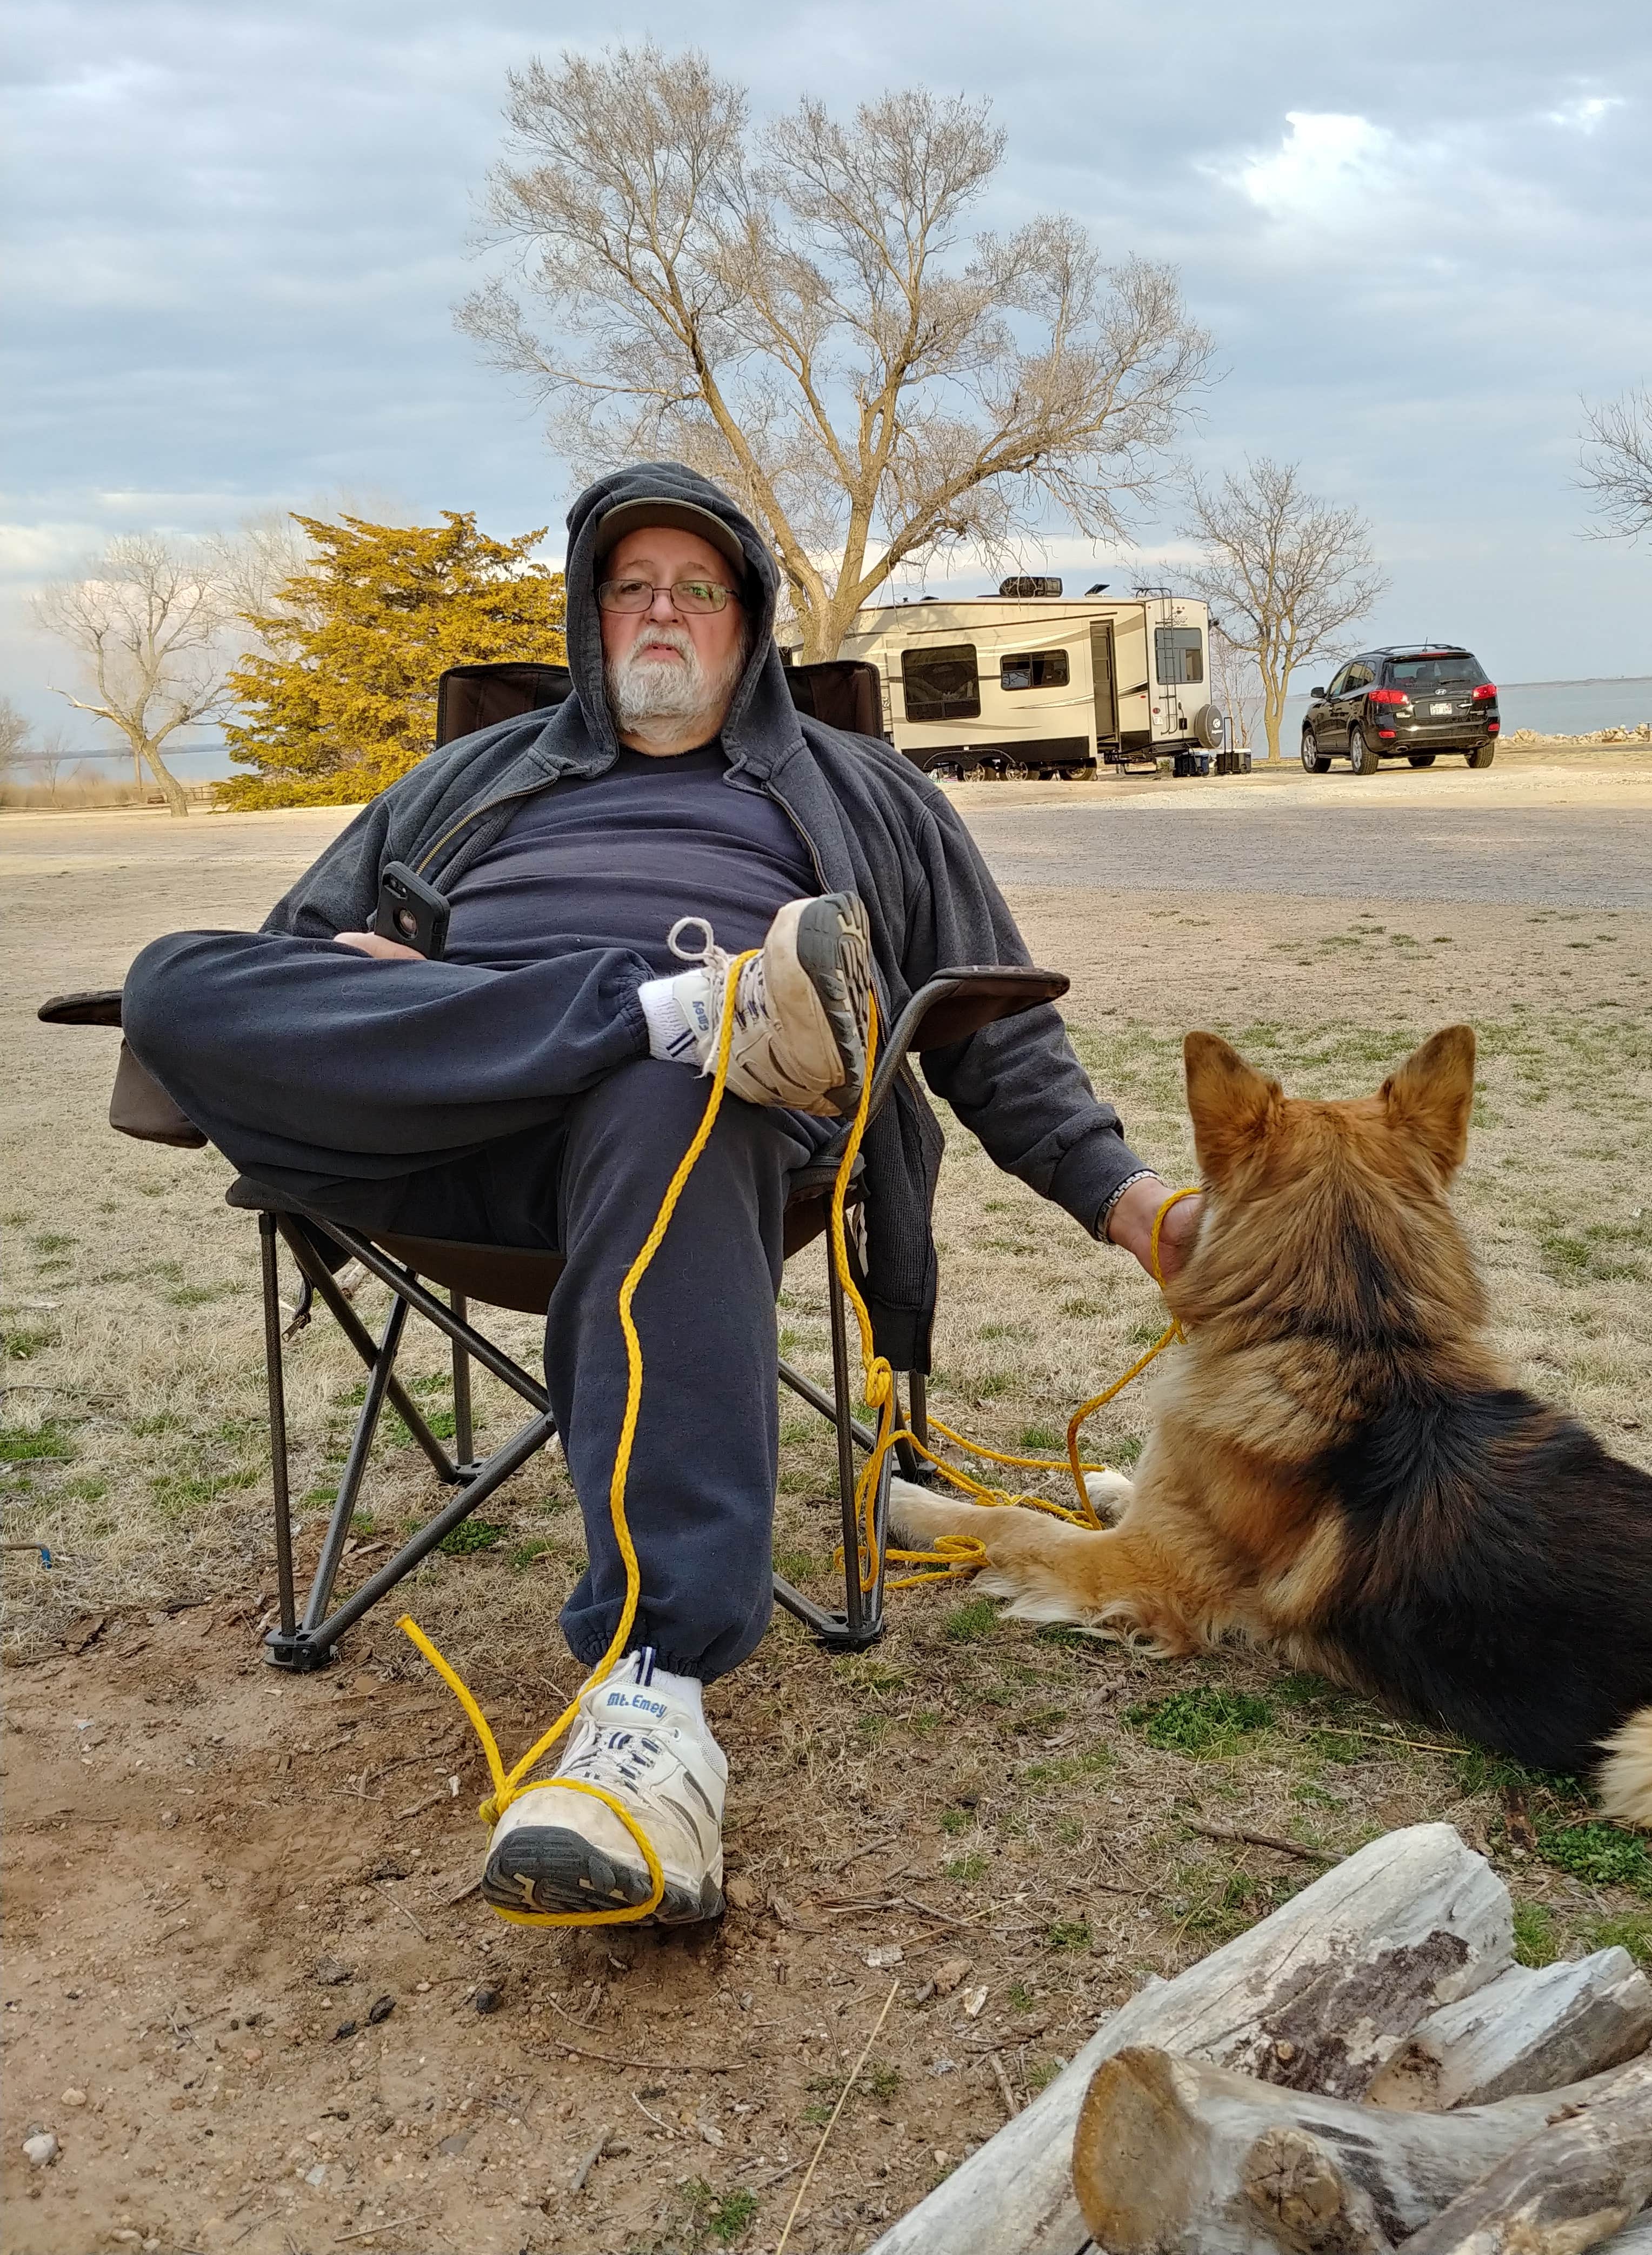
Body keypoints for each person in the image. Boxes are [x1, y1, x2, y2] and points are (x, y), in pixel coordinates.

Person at [122, 461, 1200, 1927]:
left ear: (749, 622)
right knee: (174, 976)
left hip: (692, 1149)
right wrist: (407, 986)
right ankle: (676, 1004)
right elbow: (291, 962)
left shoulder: (861, 790)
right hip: (444, 1144)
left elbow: (997, 1040)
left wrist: (1137, 1208)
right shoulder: (460, 784)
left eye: (697, 589)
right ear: (586, 612)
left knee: (677, 1091)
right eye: (630, 585)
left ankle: (652, 1704)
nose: (661, 613)